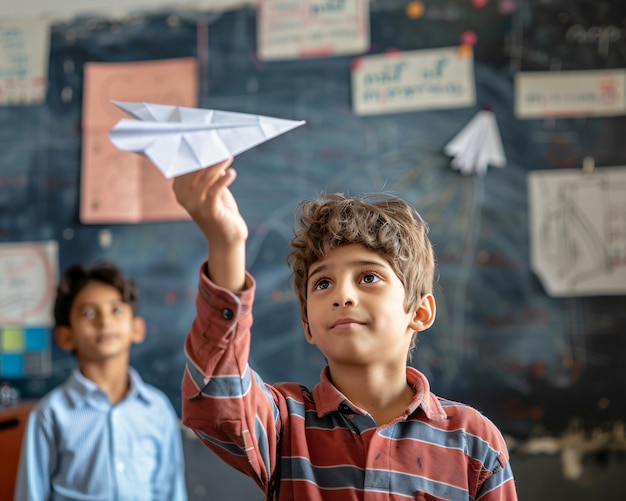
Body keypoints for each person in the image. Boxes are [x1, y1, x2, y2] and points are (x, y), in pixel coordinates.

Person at [173, 157, 518, 500]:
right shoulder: (285, 425)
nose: (343, 295)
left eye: (369, 277)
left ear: (420, 312)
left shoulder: (473, 441)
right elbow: (217, 393)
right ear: (307, 324)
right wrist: (227, 244)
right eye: (322, 283)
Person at [14, 262, 187, 501]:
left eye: (116, 310)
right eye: (88, 313)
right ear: (66, 336)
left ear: (137, 328)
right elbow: (30, 495)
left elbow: (170, 492)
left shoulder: (157, 409)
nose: (104, 321)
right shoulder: (50, 414)